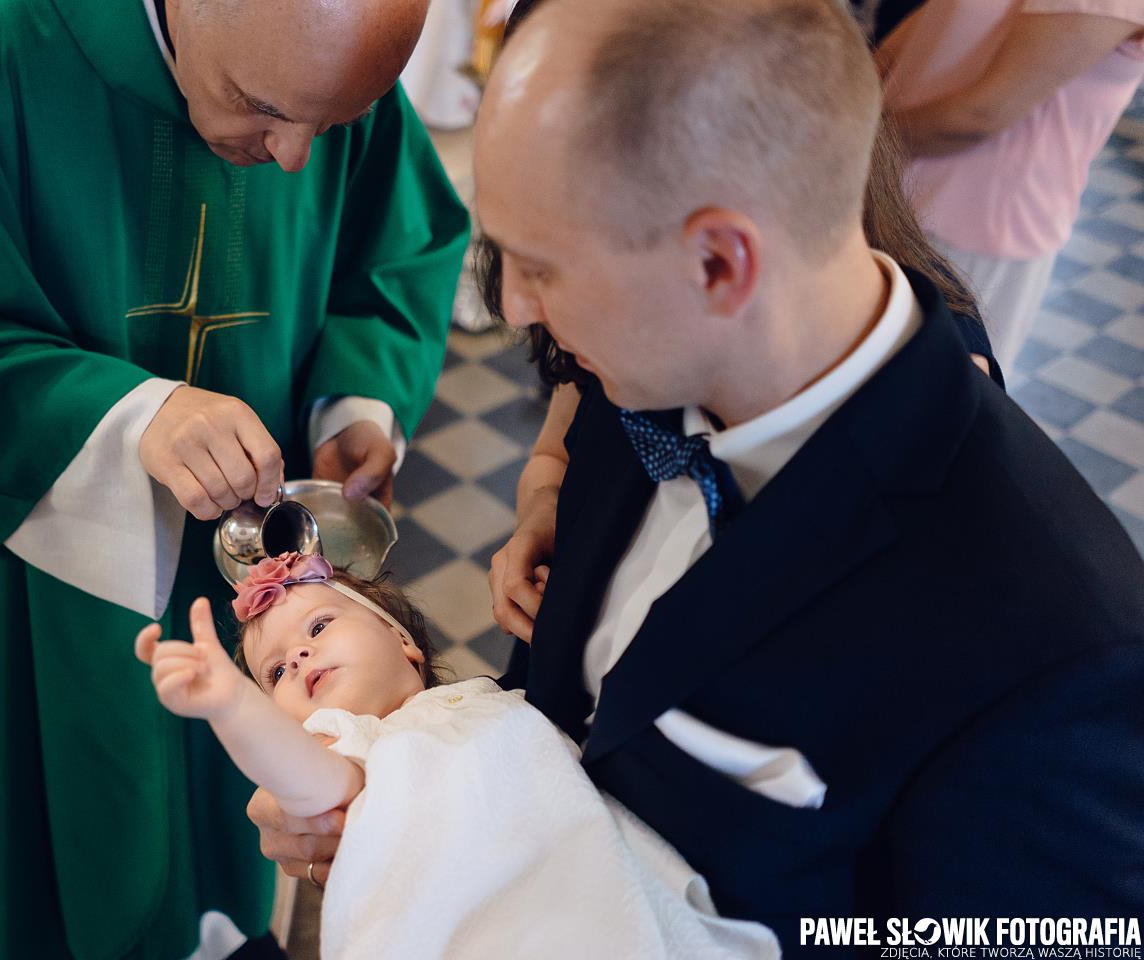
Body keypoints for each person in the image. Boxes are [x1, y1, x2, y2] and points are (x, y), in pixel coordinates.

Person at [466, 0, 1144, 943]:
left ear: (719, 261)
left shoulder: (1060, 656)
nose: (514, 308)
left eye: (540, 267)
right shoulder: (646, 365)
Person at [0, 0, 471, 955]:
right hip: (62, 554)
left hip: (266, 535)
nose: (295, 157)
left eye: (327, 126)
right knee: (100, 841)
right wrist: (130, 416)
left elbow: (395, 246)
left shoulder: (328, 41)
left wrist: (354, 406)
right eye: (258, 106)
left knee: (259, 794)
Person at [135, 553, 780, 960]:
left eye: (320, 626)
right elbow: (302, 784)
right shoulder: (356, 751)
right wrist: (229, 707)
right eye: (273, 673)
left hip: (594, 890)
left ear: (404, 643)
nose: (297, 656)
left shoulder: (487, 702)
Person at [879, 0, 1144, 377]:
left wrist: (852, 143)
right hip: (887, 187)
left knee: (919, 400)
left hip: (974, 227)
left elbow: (979, 117)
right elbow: (913, 38)